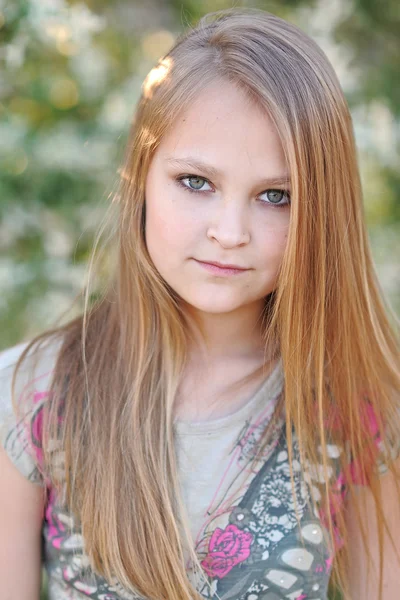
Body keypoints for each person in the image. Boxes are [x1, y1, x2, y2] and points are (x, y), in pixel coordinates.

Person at [0, 8, 399, 600]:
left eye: (276, 196)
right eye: (195, 182)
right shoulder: (31, 395)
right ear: (140, 175)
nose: (230, 231)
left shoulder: (352, 402)